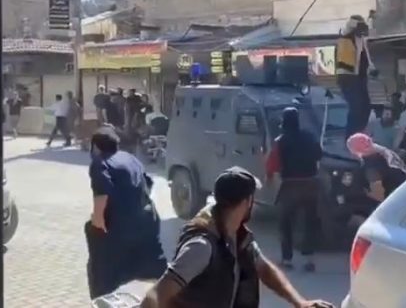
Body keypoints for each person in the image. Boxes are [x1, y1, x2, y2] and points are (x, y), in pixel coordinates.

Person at [140, 167, 334, 308]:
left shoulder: (239, 235)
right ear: (246, 201)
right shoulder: (202, 246)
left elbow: (264, 269)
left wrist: (300, 303)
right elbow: (157, 293)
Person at [86, 127, 166, 299]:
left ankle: (102, 299)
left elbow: (101, 199)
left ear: (96, 147)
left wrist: (97, 225)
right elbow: (149, 184)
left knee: (101, 269)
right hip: (148, 221)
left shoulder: (100, 163)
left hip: (120, 227)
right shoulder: (130, 158)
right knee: (153, 269)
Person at [264, 107, 323, 271]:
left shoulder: (280, 141)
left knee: (285, 223)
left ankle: (287, 259)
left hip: (290, 186)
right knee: (310, 222)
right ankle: (309, 260)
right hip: (310, 185)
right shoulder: (310, 137)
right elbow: (319, 155)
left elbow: (272, 164)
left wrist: (269, 179)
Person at [335, 15, 377, 138]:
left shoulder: (361, 41)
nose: (362, 31)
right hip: (349, 79)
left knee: (365, 107)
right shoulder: (345, 41)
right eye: (360, 27)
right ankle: (351, 136)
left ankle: (358, 134)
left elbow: (364, 60)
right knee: (356, 108)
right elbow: (346, 64)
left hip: (360, 79)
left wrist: (371, 69)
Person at [347, 133, 406, 202]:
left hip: (401, 198)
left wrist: (367, 194)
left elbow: (379, 196)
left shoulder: (372, 169)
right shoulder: (384, 151)